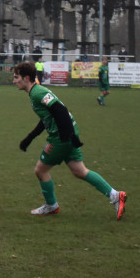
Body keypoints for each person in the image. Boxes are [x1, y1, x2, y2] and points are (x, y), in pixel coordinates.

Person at [13, 61, 126, 220]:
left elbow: (61, 110)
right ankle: (115, 195)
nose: (14, 81)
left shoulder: (37, 93)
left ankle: (51, 206)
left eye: (16, 77)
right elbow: (48, 117)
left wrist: (69, 135)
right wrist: (29, 138)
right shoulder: (36, 92)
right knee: (80, 171)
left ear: (26, 78)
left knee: (40, 170)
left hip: (61, 136)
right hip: (67, 133)